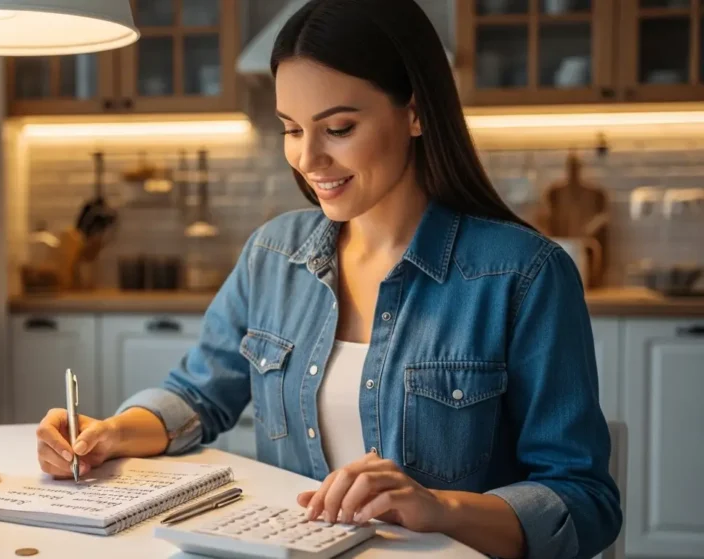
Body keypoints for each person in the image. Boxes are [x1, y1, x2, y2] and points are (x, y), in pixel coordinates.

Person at [34, 1, 622, 557]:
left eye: (338, 128)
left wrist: (439, 508)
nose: (308, 159)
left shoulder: (523, 274)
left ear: (416, 112)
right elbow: (197, 396)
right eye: (292, 129)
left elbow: (583, 500)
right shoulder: (274, 254)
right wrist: (109, 433)